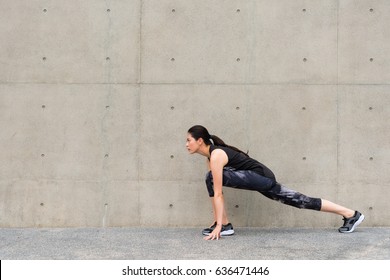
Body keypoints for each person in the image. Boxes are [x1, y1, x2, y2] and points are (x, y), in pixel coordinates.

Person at [186, 125, 364, 240]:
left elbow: (218, 192)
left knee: (210, 178)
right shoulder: (211, 157)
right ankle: (350, 214)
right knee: (301, 201)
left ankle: (223, 225)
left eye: (189, 140)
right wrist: (217, 221)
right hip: (259, 179)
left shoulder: (216, 155)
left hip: (261, 177)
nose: (186, 144)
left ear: (199, 141)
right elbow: (216, 192)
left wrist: (217, 226)